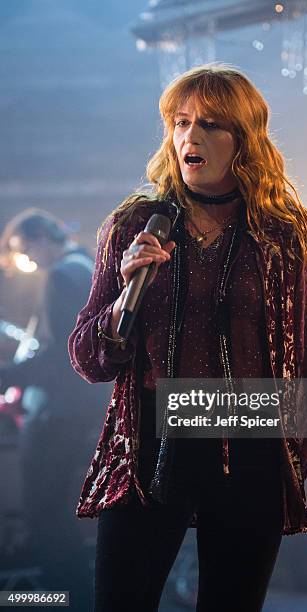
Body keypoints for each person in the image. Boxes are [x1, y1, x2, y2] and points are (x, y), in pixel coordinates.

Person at [68, 63, 307, 612]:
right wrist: (126, 295)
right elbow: (87, 357)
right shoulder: (134, 226)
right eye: (180, 121)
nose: (190, 137)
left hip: (252, 441)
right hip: (150, 441)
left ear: (244, 141)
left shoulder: (284, 233)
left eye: (211, 124)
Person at [0, 208, 108, 611]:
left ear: (40, 237)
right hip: (71, 413)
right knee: (54, 516)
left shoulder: (64, 276)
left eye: (24, 250)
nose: (26, 260)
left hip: (57, 415)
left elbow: (61, 358)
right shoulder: (85, 269)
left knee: (43, 516)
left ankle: (67, 601)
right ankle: (74, 599)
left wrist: (8, 374)